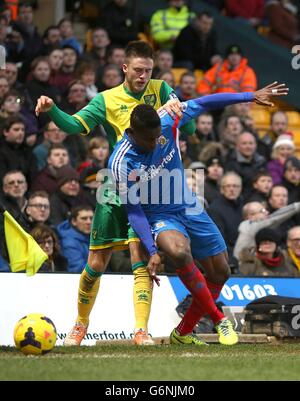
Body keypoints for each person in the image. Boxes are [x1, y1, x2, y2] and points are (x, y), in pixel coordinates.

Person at [35, 40, 193, 346]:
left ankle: (140, 331)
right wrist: (54, 109)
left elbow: (189, 131)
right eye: (137, 70)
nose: (143, 76)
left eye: (148, 70)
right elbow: (74, 125)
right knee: (95, 264)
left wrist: (182, 115)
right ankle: (80, 325)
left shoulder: (161, 89)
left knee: (141, 257)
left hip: (148, 188)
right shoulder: (106, 100)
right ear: (125, 68)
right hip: (115, 186)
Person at [108, 82, 288, 345]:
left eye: (158, 136)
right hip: (160, 216)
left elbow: (204, 103)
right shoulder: (121, 161)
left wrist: (250, 96)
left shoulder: (167, 118)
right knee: (179, 252)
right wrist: (152, 249)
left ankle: (182, 332)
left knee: (221, 272)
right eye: (149, 139)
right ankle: (218, 318)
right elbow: (134, 210)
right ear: (133, 133)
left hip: (189, 206)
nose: (155, 142)